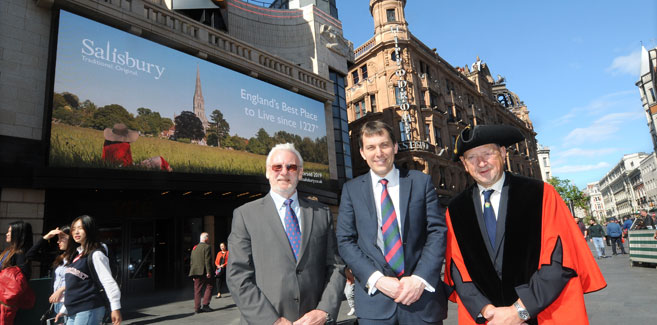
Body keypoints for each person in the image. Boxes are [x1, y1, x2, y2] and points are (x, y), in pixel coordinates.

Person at [444, 124, 606, 324]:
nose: (481, 162)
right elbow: (457, 270)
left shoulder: (540, 194)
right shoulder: (456, 209)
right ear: (464, 164)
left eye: (487, 153)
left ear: (503, 153)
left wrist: (519, 311)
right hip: (488, 319)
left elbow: (559, 260)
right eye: (471, 157)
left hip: (541, 313)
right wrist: (486, 310)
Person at [336, 121, 449, 325]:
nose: (378, 153)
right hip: (374, 306)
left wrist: (419, 279)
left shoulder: (420, 182)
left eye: (384, 145)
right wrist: (377, 280)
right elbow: (345, 241)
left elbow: (437, 232)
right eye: (371, 147)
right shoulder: (351, 190)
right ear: (362, 152)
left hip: (421, 300)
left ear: (395, 147)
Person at [227, 143, 345, 325]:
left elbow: (336, 267)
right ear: (267, 172)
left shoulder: (321, 213)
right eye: (277, 167)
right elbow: (237, 276)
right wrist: (272, 321)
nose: (284, 172)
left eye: (291, 167)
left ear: (300, 172)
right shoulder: (245, 215)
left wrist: (324, 311)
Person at [55, 215, 122, 325]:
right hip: (73, 310)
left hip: (89, 308)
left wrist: (115, 307)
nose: (76, 232)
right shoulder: (76, 255)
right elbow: (74, 287)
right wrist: (64, 310)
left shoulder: (96, 254)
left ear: (89, 229)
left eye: (80, 228)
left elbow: (108, 281)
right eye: (74, 229)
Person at [25, 225, 71, 320]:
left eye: (62, 238)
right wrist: (47, 237)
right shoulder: (59, 257)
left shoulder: (79, 258)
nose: (58, 241)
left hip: (69, 303)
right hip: (56, 303)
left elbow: (81, 280)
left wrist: (61, 290)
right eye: (58, 238)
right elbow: (30, 255)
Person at [102, 123, 173, 172]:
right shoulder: (125, 145)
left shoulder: (107, 142)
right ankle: (170, 172)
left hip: (110, 166)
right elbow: (122, 162)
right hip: (128, 168)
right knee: (159, 159)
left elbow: (105, 158)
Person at [0, 221, 33, 324]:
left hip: (6, 300)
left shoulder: (20, 254)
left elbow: (22, 277)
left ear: (17, 234)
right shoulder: (8, 250)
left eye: (10, 232)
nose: (7, 234)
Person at [189, 232, 214, 313]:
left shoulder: (194, 248)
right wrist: (209, 272)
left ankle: (197, 308)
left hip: (195, 272)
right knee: (209, 286)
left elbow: (192, 261)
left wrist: (192, 273)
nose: (209, 239)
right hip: (204, 271)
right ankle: (206, 305)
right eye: (208, 238)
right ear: (206, 238)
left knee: (197, 290)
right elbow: (207, 260)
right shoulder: (207, 247)